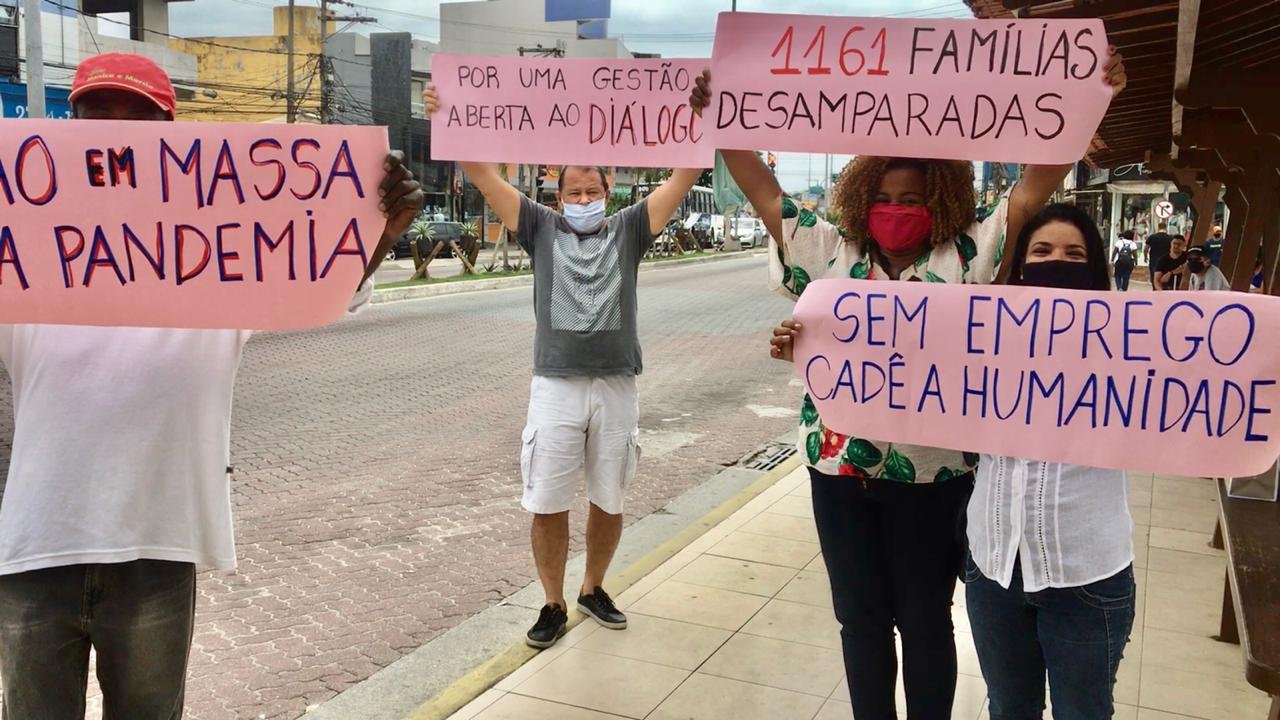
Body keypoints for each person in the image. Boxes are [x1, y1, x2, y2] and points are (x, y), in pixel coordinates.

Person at [695, 51, 1127, 720]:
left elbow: (1036, 186)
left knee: (927, 623)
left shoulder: (969, 254)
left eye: (913, 200)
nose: (896, 211)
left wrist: (1087, 100)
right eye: (885, 199)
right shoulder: (828, 251)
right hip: (838, 474)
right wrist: (723, 116)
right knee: (859, 624)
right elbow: (760, 187)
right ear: (863, 199)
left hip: (936, 481)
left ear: (942, 200)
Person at [0, 53, 423, 718]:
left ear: (173, 138)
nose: (115, 137)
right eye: (95, 118)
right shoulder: (23, 258)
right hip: (35, 551)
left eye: (137, 122)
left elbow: (316, 279)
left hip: (157, 553)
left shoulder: (221, 267)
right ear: (64, 131)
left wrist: (377, 230)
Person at [423, 85, 701, 649]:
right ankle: (551, 600)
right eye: (572, 191)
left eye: (591, 190)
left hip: (618, 384)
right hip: (555, 385)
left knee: (610, 496)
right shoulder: (538, 227)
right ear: (556, 197)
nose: (582, 198)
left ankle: (593, 587)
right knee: (547, 499)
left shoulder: (629, 229)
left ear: (609, 191)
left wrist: (702, 116)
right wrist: (445, 114)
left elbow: (684, 176)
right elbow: (482, 174)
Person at [965, 203, 1136, 720]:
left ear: (1094, 268)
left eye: (1073, 254)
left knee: (1083, 712)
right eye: (1040, 251)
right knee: (1009, 708)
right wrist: (820, 347)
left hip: (1086, 574)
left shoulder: (1132, 348)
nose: (1055, 261)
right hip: (992, 569)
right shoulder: (980, 341)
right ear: (1020, 264)